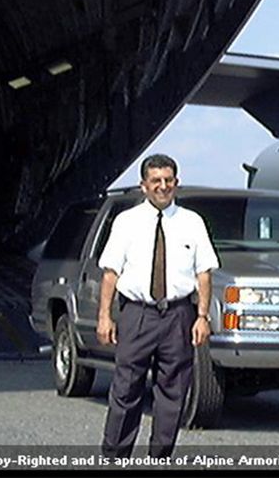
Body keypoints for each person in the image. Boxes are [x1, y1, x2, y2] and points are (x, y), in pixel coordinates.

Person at [96, 153, 219, 458]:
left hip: (178, 315)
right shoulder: (126, 222)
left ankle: (160, 456)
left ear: (176, 183)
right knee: (126, 389)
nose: (163, 187)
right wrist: (105, 317)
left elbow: (204, 273)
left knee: (173, 391)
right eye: (156, 181)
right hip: (137, 314)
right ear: (143, 185)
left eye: (168, 180)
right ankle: (115, 456)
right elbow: (111, 273)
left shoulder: (192, 222)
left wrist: (202, 317)